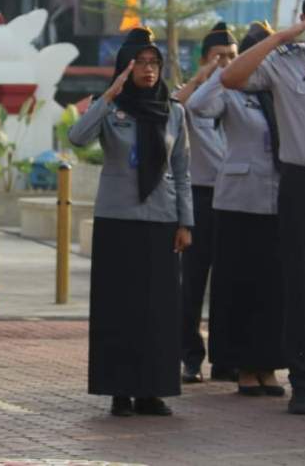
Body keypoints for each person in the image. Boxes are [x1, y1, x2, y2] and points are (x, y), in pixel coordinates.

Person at [69, 27, 193, 417]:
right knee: (118, 309)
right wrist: (108, 95)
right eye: (139, 63)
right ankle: (119, 390)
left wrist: (185, 222)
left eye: (154, 63)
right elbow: (77, 136)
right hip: (117, 218)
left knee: (158, 310)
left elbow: (183, 170)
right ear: (124, 68)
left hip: (160, 219)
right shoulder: (109, 108)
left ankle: (152, 391)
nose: (149, 70)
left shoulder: (174, 111)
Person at [221, 0, 305, 415]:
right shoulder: (287, 60)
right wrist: (285, 36)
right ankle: (302, 380)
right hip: (302, 185)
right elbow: (231, 76)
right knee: (300, 288)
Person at [187, 21, 286, 398]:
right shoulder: (234, 87)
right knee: (239, 287)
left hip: (279, 198)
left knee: (274, 289)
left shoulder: (281, 89)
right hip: (239, 200)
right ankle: (243, 367)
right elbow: (198, 106)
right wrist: (219, 73)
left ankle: (269, 366)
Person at [174, 22, 233, 383]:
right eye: (218, 57)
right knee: (192, 284)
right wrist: (203, 77)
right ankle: (190, 357)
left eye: (232, 56)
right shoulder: (192, 98)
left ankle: (226, 358)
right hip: (200, 196)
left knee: (229, 282)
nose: (226, 62)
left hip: (235, 201)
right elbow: (173, 106)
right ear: (203, 60)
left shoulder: (245, 93)